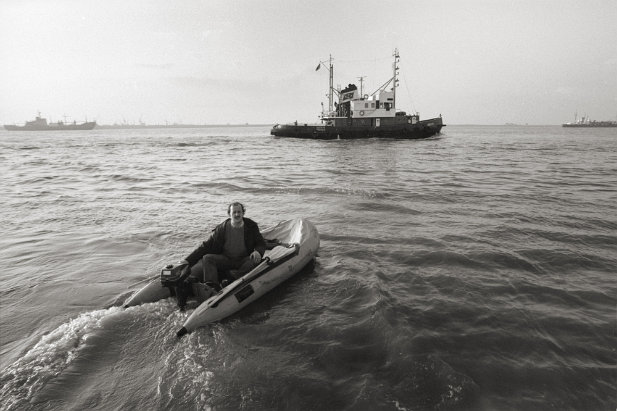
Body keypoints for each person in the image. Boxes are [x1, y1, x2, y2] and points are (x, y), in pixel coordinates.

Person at [175, 202, 266, 309]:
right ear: (229, 214)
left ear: (243, 213)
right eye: (234, 212)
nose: (237, 214)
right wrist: (188, 261)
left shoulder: (251, 226)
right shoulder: (221, 229)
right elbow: (205, 246)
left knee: (253, 261)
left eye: (239, 212)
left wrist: (257, 251)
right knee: (207, 258)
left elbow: (261, 243)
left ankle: (231, 279)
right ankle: (211, 286)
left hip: (243, 259)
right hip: (226, 259)